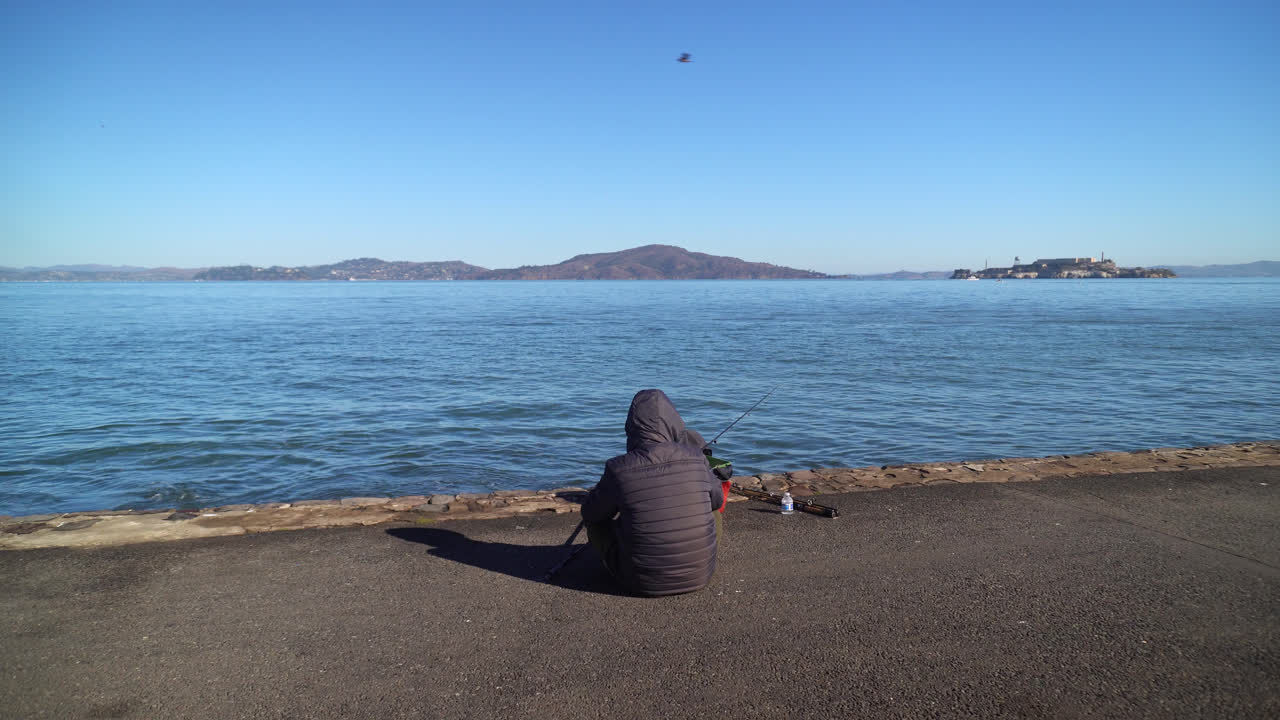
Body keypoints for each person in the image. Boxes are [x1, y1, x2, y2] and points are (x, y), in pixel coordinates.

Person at [581, 389, 724, 596]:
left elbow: (590, 513)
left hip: (640, 582)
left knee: (596, 524)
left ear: (632, 426)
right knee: (713, 511)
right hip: (701, 576)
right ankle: (696, 558)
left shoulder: (618, 468)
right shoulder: (697, 457)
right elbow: (717, 501)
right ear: (674, 422)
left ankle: (622, 564)